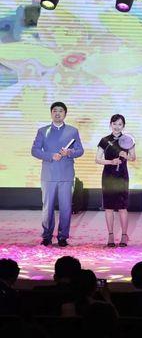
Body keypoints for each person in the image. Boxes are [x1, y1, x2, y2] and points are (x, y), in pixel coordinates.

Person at [31, 101, 84, 247]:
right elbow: (35, 150)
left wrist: (69, 152)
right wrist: (50, 155)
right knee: (47, 207)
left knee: (66, 208)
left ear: (65, 114)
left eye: (61, 111)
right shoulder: (43, 131)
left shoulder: (72, 131)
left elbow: (80, 150)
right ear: (51, 113)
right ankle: (47, 236)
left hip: (66, 175)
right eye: (55, 110)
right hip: (48, 175)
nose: (58, 113)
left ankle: (63, 237)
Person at [96, 114, 136, 247]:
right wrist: (111, 162)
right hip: (108, 176)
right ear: (110, 125)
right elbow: (97, 159)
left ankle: (124, 235)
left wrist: (126, 156)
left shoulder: (128, 140)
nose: (117, 127)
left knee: (122, 207)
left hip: (122, 176)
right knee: (108, 207)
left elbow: (133, 157)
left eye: (120, 124)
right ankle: (111, 235)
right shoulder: (104, 140)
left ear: (123, 126)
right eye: (114, 124)